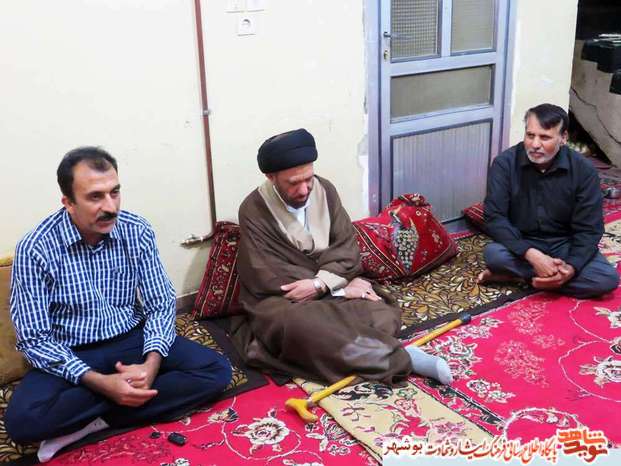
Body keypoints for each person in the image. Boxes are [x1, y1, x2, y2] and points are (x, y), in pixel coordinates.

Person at [6, 147, 232, 462]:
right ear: (68, 202)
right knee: (23, 421)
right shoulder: (35, 248)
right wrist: (101, 384)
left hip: (130, 339)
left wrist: (151, 365)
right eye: (95, 197)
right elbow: (34, 338)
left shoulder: (136, 229)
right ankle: (123, 403)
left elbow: (160, 303)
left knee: (216, 371)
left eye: (115, 192)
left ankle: (93, 422)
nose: (110, 207)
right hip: (71, 349)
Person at [231, 128, 452, 387]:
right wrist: (336, 287)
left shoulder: (324, 190)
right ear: (271, 177)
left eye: (308, 179)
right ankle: (399, 359)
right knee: (299, 326)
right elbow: (268, 273)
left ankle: (357, 348)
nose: (303, 189)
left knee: (381, 313)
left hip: (330, 286)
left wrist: (325, 285)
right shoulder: (253, 209)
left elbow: (346, 245)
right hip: (284, 301)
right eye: (293, 183)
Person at [477, 103, 619, 298]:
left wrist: (571, 268)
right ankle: (542, 276)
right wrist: (532, 255)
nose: (535, 144)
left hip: (564, 244)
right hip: (523, 243)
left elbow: (589, 229)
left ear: (563, 138)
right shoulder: (505, 163)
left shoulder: (583, 170)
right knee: (494, 254)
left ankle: (518, 276)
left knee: (606, 279)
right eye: (530, 135)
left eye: (544, 137)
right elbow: (495, 217)